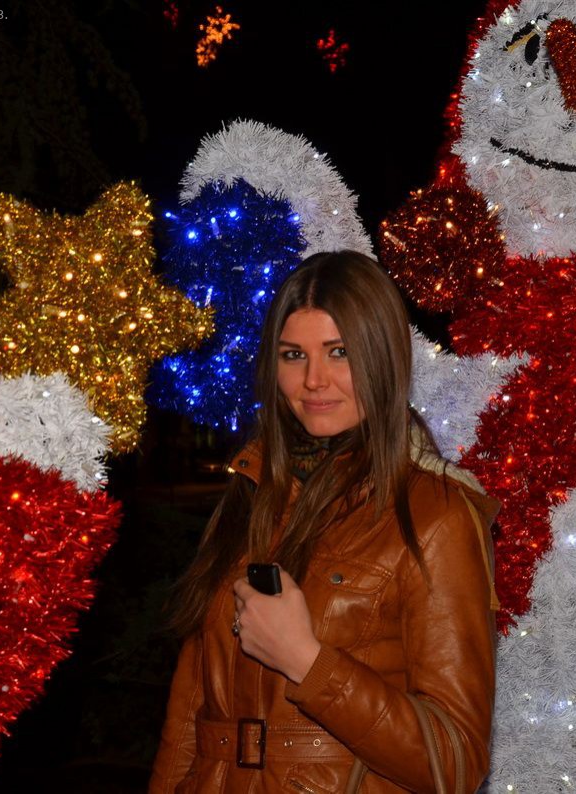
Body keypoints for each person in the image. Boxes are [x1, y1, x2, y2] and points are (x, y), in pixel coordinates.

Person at [149, 250, 500, 793]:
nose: (314, 380)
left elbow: (454, 762)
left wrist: (309, 662)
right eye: (294, 355)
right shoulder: (252, 491)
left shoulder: (435, 515)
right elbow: (190, 714)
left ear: (382, 358)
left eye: (340, 352)